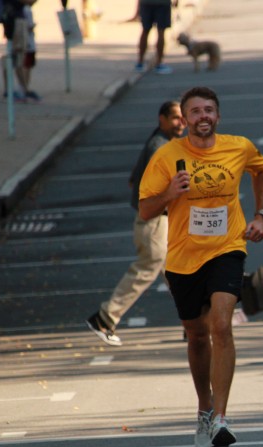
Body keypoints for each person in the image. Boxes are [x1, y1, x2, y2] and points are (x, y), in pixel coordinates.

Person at [138, 87, 263, 447]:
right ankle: (204, 408)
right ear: (185, 120)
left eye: (209, 110)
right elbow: (145, 210)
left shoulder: (239, 147)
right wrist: (169, 194)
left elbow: (262, 171)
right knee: (197, 336)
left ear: (218, 116)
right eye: (195, 111)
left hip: (227, 248)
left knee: (221, 325)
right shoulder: (167, 156)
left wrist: (261, 215)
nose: (203, 116)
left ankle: (221, 418)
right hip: (183, 258)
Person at [87, 100, 186, 346]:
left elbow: (134, 180)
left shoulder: (160, 141)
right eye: (176, 117)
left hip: (159, 222)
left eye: (183, 117)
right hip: (154, 222)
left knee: (179, 274)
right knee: (146, 269)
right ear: (162, 119)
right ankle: (104, 317)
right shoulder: (160, 147)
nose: (181, 122)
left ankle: (194, 324)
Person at [137, 0, 178, 74]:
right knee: (161, 31)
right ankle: (159, 63)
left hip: (146, 3)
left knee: (145, 30)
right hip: (162, 3)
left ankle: (140, 62)